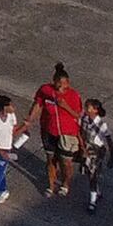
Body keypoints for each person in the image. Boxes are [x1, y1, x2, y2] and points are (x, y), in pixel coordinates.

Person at [40, 66, 88, 196]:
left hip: (67, 134)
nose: (62, 88)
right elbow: (38, 104)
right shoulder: (46, 90)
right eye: (59, 84)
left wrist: (65, 106)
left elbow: (78, 115)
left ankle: (65, 184)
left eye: (65, 85)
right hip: (49, 131)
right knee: (50, 159)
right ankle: (51, 185)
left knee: (66, 162)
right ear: (54, 81)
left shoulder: (73, 95)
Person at [0, 95, 24, 211]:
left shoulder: (11, 116)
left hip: (5, 148)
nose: (12, 107)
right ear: (4, 107)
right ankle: (3, 190)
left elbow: (13, 132)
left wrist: (24, 127)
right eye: (9, 105)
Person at [87, 97, 113, 210]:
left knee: (93, 174)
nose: (86, 109)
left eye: (88, 107)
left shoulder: (102, 125)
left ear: (95, 110)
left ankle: (92, 201)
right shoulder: (84, 119)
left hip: (97, 151)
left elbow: (109, 141)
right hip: (87, 149)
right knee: (89, 173)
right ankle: (96, 191)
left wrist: (111, 157)